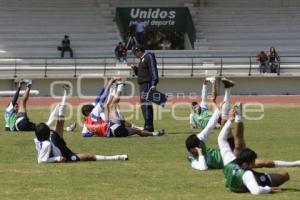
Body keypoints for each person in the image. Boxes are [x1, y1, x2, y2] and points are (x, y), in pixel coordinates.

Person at [186, 102, 300, 171]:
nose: (200, 148)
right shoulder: (193, 160)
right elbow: (203, 168)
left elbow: (210, 125)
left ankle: (235, 113)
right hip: (229, 161)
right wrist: (200, 154)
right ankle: (295, 163)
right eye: (196, 149)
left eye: (199, 147)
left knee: (225, 127)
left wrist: (219, 111)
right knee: (264, 163)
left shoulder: (199, 139)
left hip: (224, 152)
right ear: (191, 150)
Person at [34, 84, 128, 164]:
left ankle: (65, 96)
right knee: (88, 156)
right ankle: (117, 157)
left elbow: (50, 121)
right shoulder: (45, 144)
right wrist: (57, 159)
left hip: (56, 145)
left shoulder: (39, 140)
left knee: (60, 121)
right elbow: (41, 161)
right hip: (61, 153)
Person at [218, 107, 290, 194]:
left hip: (234, 183)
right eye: (253, 161)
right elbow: (256, 191)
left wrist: (229, 121)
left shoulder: (228, 162)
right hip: (256, 181)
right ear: (247, 163)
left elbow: (221, 139)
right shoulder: (247, 174)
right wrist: (269, 189)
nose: (254, 163)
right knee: (285, 174)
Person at [81, 77, 164, 137]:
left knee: (135, 131)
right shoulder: (94, 113)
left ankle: (154, 133)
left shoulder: (86, 124)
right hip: (112, 126)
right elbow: (102, 98)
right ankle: (120, 87)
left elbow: (84, 135)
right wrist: (110, 84)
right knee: (111, 106)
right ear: (89, 112)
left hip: (113, 132)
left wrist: (94, 132)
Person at [131, 45, 159, 132]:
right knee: (144, 105)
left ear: (139, 50)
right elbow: (141, 73)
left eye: (135, 53)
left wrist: (154, 82)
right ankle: (148, 126)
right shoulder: (142, 59)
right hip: (143, 85)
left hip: (147, 84)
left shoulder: (148, 56)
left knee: (146, 105)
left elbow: (153, 69)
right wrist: (136, 69)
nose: (135, 55)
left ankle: (148, 127)